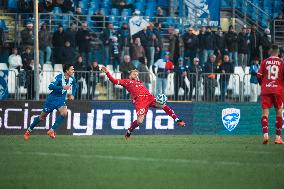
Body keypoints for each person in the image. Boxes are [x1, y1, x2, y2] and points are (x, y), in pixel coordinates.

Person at [101, 66, 186, 139]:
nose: (136, 75)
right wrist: (107, 73)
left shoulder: (139, 82)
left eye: (137, 74)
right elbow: (114, 81)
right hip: (140, 101)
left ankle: (177, 120)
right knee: (140, 121)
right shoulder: (126, 81)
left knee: (163, 105)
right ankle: (129, 132)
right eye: (134, 74)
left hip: (149, 97)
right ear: (130, 75)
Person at [23, 64, 76, 140]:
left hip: (61, 100)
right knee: (42, 117)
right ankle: (28, 131)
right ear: (67, 71)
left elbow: (74, 85)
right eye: (72, 69)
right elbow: (50, 86)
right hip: (52, 100)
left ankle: (51, 130)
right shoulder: (59, 78)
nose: (73, 71)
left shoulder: (72, 79)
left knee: (64, 113)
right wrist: (62, 87)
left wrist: (73, 95)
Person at [257, 45, 284, 144]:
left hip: (266, 90)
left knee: (265, 113)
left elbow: (259, 75)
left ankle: (266, 136)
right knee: (279, 112)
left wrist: (263, 84)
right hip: (278, 90)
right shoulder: (282, 62)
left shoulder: (264, 62)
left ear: (271, 51)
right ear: (278, 52)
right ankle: (278, 137)